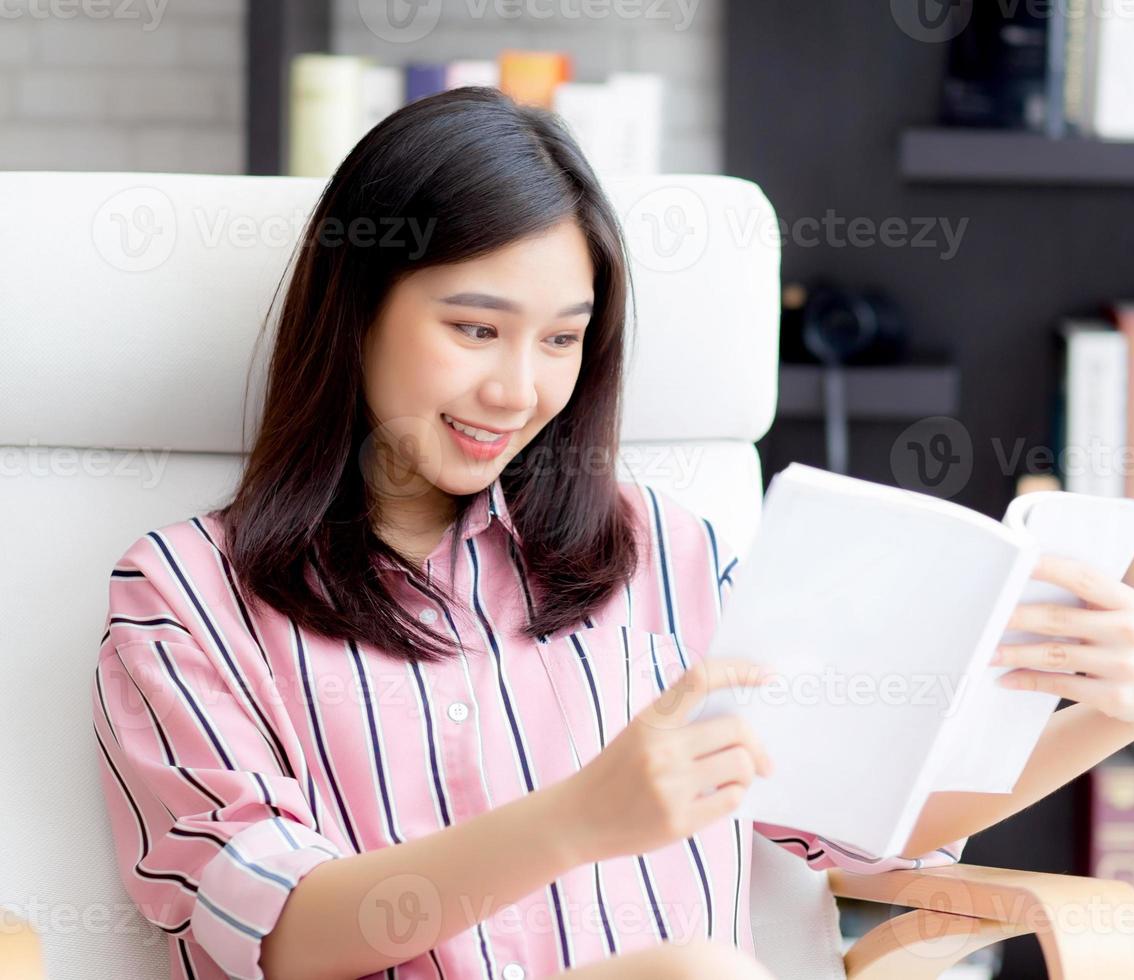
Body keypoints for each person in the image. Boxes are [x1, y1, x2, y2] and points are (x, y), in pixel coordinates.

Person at [89, 86, 973, 980]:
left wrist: (1099, 713)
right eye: (476, 328)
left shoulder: (669, 556)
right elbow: (273, 931)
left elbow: (863, 822)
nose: (519, 392)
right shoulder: (185, 593)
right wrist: (578, 818)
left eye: (561, 341)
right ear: (356, 311)